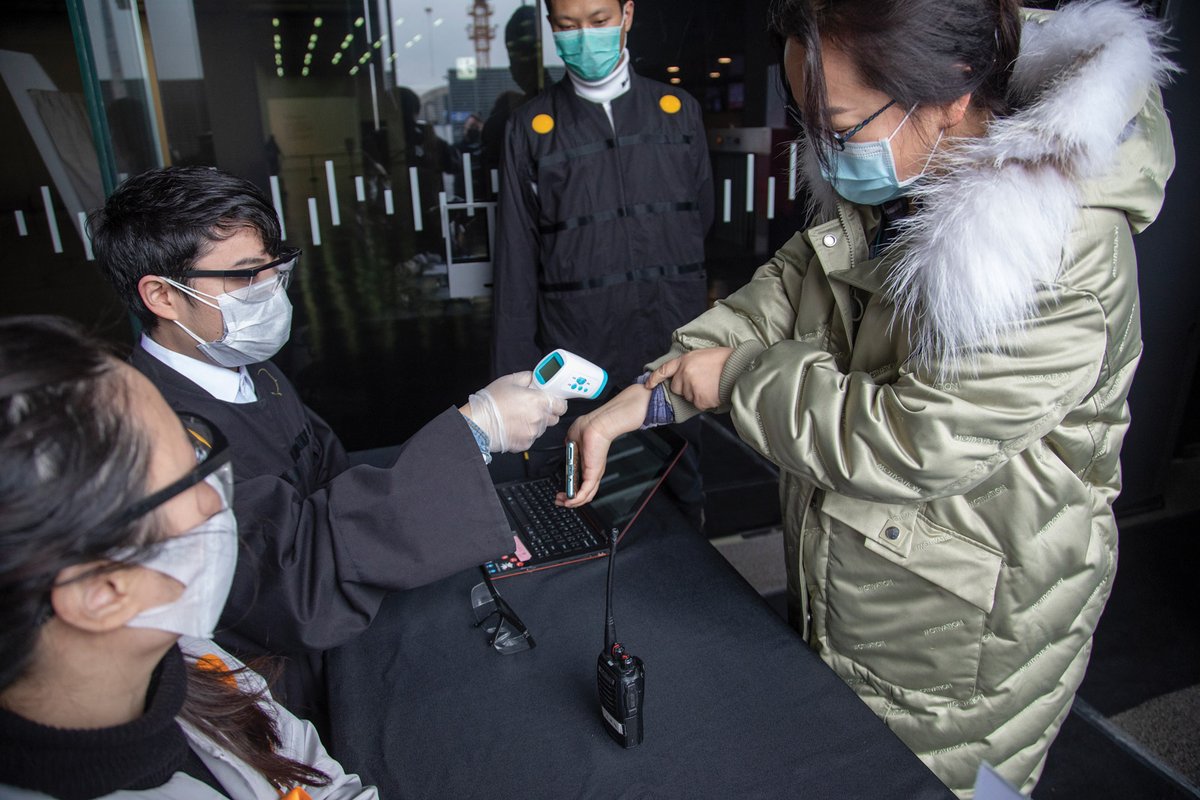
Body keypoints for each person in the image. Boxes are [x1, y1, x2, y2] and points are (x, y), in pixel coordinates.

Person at [561, 0, 1175, 795]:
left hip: (965, 646)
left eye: (840, 126)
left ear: (950, 92)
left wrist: (740, 378)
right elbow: (784, 289)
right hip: (857, 582)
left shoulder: (1054, 248)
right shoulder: (910, 166)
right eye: (810, 124)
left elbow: (909, 439)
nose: (824, 149)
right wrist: (649, 391)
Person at [88, 165, 567, 734]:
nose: (268, 292)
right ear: (163, 295)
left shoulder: (253, 375)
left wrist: (444, 495)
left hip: (348, 637)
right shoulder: (148, 440)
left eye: (274, 270)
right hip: (285, 691)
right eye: (244, 278)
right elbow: (288, 586)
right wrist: (474, 431)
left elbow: (331, 481)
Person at [0, 315, 376, 799]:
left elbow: (318, 783)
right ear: (97, 592)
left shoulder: (193, 661)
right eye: (177, 487)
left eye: (193, 451)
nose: (217, 501)